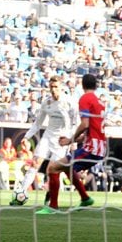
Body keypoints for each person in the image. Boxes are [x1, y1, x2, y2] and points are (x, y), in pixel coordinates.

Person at [38, 74, 105, 214]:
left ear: (82, 84)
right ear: (96, 85)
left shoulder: (85, 99)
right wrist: (78, 140)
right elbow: (91, 129)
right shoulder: (99, 102)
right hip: (99, 147)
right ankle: (85, 198)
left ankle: (53, 206)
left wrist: (70, 140)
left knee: (53, 168)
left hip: (91, 148)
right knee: (66, 167)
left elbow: (84, 124)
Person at [10, 76, 77, 206]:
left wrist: (71, 140)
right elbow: (38, 123)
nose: (53, 90)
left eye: (56, 87)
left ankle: (49, 198)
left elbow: (75, 122)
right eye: (51, 87)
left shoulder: (70, 102)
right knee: (35, 163)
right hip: (48, 136)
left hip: (61, 139)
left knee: (53, 170)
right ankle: (21, 194)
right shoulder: (46, 102)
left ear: (61, 87)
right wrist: (26, 137)